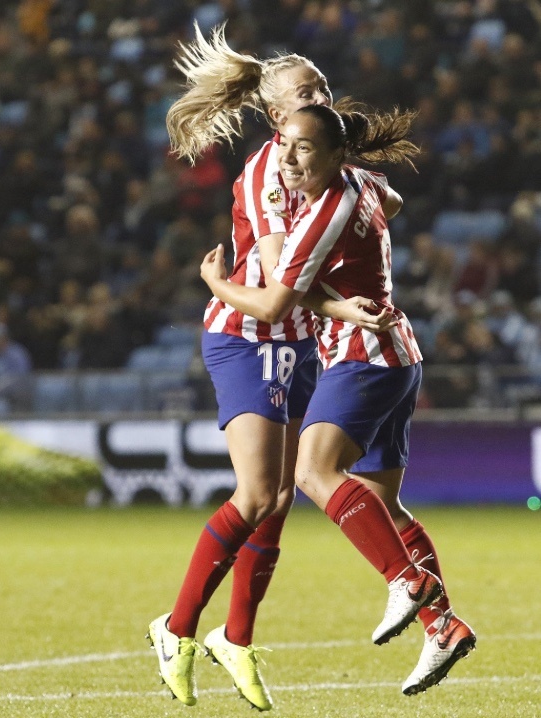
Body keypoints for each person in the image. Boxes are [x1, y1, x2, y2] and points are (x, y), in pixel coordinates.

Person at [147, 24, 397, 711]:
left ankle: (238, 638)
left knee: (282, 503)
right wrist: (224, 288)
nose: (321, 95)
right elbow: (284, 284)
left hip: (296, 340)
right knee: (257, 495)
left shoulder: (328, 168)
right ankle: (174, 629)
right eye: (306, 92)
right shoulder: (265, 175)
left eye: (321, 85)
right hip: (247, 335)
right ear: (276, 116)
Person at [200, 103, 476, 699]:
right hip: (399, 353)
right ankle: (443, 626)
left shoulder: (325, 208)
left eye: (304, 149)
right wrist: (347, 288)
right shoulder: (365, 184)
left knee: (312, 470)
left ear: (335, 156)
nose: (289, 158)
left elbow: (274, 305)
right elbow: (393, 206)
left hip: (360, 358)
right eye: (285, 144)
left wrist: (218, 285)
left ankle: (407, 582)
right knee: (382, 505)